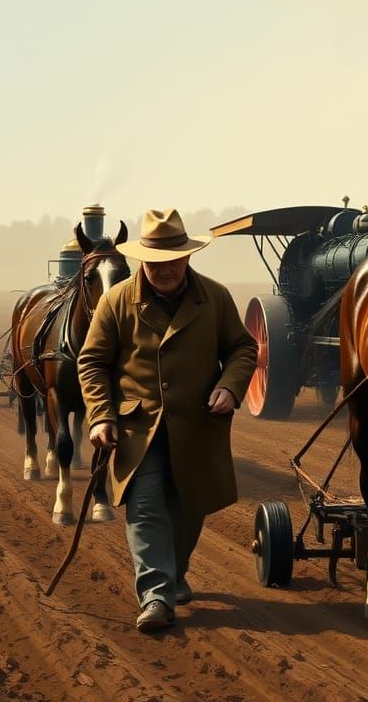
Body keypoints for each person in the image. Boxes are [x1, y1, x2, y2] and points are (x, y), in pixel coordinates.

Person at [78, 208, 258, 632]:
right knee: (144, 508)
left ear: (188, 257)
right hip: (138, 429)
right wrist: (101, 416)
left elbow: (242, 349)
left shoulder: (214, 298)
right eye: (155, 262)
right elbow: (92, 362)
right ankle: (156, 596)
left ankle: (174, 573)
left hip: (197, 426)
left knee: (188, 509)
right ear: (143, 259)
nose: (164, 269)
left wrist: (231, 388)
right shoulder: (116, 300)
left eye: (173, 260)